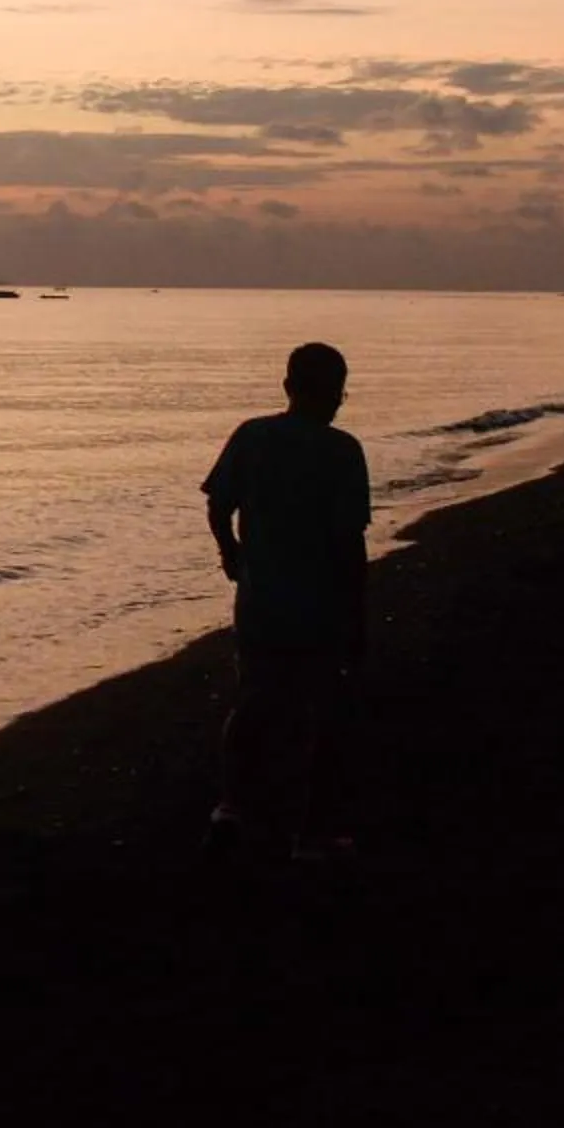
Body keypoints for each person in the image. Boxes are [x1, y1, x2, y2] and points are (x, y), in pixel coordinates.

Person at [202, 341, 372, 859]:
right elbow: (349, 543)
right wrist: (358, 616)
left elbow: (218, 505)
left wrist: (230, 551)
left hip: (261, 603)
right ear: (336, 393)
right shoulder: (343, 452)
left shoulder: (253, 436)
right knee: (321, 713)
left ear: (287, 388)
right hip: (320, 607)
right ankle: (314, 832)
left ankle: (233, 806)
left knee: (254, 704)